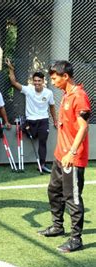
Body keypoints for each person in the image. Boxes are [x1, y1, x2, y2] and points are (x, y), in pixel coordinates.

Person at [37, 61, 90, 253]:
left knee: (72, 197)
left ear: (65, 76)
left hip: (72, 158)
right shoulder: (66, 95)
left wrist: (72, 152)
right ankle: (57, 226)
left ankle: (76, 239)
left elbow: (83, 128)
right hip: (60, 155)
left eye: (54, 78)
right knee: (53, 190)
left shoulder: (80, 97)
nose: (52, 82)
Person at [6, 59, 57, 173]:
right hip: (30, 121)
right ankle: (23, 127)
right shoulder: (28, 90)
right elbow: (14, 83)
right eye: (35, 81)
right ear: (32, 81)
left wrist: (55, 121)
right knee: (26, 132)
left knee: (42, 142)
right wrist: (11, 68)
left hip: (43, 120)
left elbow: (52, 107)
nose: (37, 83)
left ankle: (42, 165)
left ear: (43, 81)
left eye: (39, 81)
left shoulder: (48, 93)